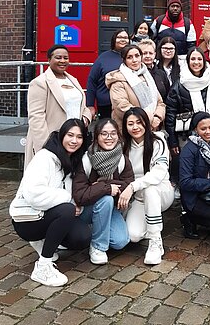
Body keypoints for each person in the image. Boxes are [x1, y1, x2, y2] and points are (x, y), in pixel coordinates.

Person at [10, 119, 91, 286]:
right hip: (27, 219)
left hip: (48, 214)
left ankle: (47, 241)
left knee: (81, 237)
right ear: (61, 135)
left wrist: (75, 203)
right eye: (70, 135)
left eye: (79, 137)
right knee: (67, 210)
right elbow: (34, 194)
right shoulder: (44, 158)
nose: (74, 141)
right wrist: (67, 200)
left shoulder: (73, 161)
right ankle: (43, 267)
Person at [117, 108, 174, 264]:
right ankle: (151, 222)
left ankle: (155, 241)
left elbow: (158, 173)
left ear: (146, 123)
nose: (135, 127)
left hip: (161, 192)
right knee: (133, 236)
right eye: (130, 124)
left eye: (139, 122)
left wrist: (132, 187)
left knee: (150, 189)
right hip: (139, 198)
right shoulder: (124, 146)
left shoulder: (158, 141)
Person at [165, 47, 210, 188]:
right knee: (188, 166)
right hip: (186, 134)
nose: (196, 62)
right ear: (187, 61)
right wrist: (173, 141)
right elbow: (170, 114)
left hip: (209, 132)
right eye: (193, 59)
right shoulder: (180, 85)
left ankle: (209, 187)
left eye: (199, 59)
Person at [72, 118, 133, 264]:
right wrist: (106, 189)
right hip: (87, 209)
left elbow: (128, 188)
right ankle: (98, 246)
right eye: (104, 134)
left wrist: (99, 185)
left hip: (110, 210)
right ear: (96, 136)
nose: (109, 138)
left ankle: (98, 228)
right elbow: (79, 195)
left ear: (118, 135)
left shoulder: (122, 160)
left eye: (113, 133)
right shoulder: (86, 160)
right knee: (106, 198)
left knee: (120, 241)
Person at [25, 44, 92, 169]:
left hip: (73, 141)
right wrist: (46, 146)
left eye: (66, 58)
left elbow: (82, 105)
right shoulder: (40, 83)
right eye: (58, 57)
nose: (62, 61)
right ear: (49, 60)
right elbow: (36, 117)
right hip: (54, 140)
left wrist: (86, 116)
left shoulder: (73, 80)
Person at [105, 44, 166, 132]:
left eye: (137, 56)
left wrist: (157, 117)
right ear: (124, 60)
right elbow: (122, 107)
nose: (134, 60)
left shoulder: (147, 76)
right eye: (129, 57)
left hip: (152, 128)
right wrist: (149, 119)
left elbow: (159, 102)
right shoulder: (117, 80)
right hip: (130, 131)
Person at [86, 29, 130, 119]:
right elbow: (92, 81)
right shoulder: (103, 57)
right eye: (119, 37)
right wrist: (90, 105)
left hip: (127, 103)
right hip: (106, 104)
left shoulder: (132, 57)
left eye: (125, 37)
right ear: (114, 40)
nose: (123, 39)